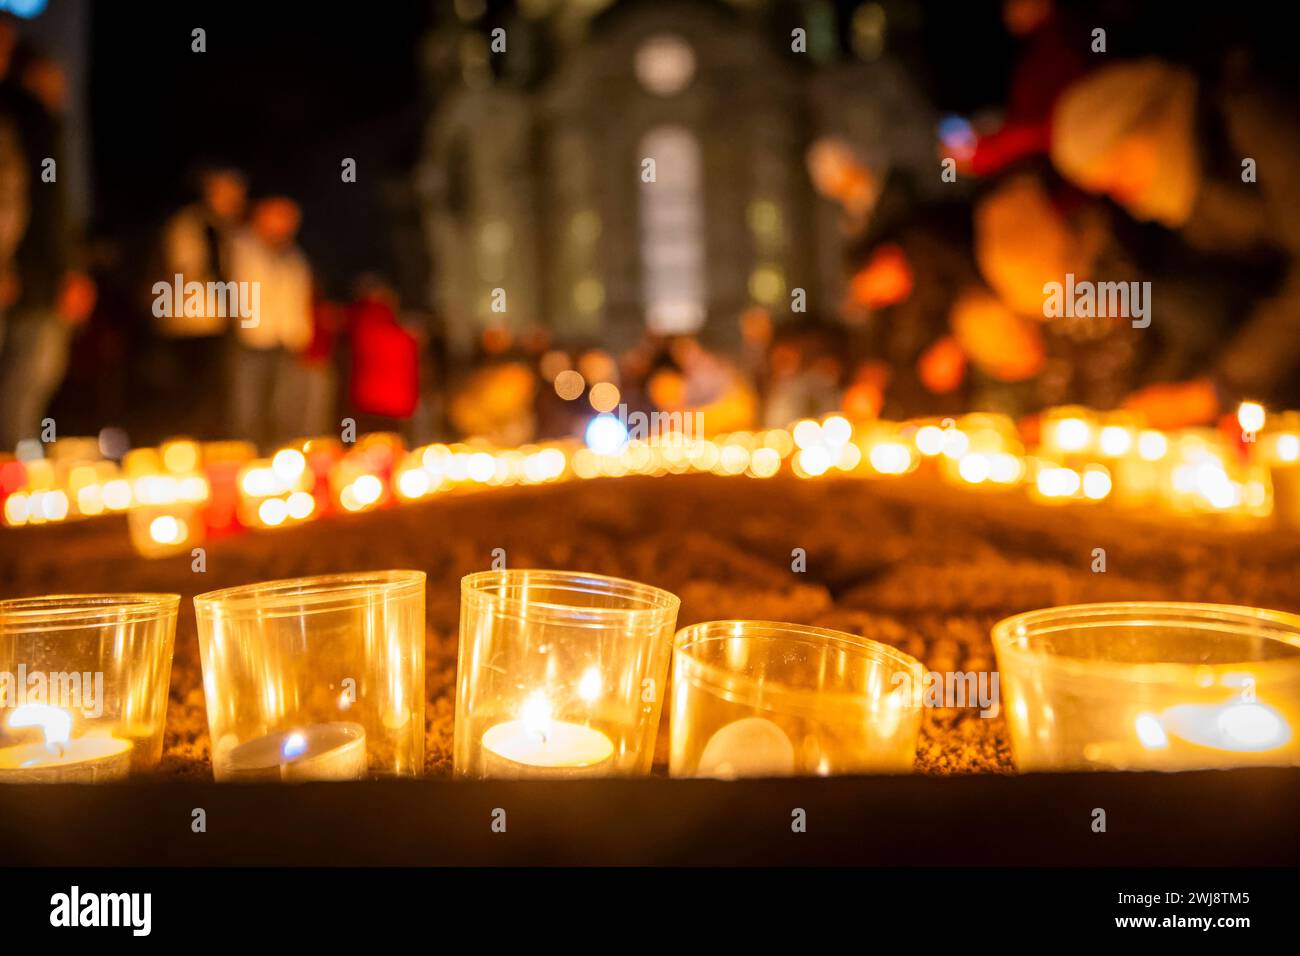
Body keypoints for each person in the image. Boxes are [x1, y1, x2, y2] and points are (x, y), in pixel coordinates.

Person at [1050, 57, 1300, 424]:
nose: (1125, 197)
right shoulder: (1194, 203)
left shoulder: (1253, 114)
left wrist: (1219, 390)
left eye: (1119, 170)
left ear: (1145, 122)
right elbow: (1218, 306)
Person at [0, 43, 94, 449]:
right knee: (24, 382)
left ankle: (17, 470)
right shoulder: (27, 124)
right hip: (30, 276)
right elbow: (35, 209)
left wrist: (72, 268)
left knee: (35, 380)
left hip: (41, 276)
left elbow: (56, 211)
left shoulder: (42, 127)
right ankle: (11, 479)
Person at [158, 166, 247, 436]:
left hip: (221, 322)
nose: (235, 199)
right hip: (193, 323)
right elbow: (180, 272)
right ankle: (187, 446)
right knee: (193, 391)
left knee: (217, 392)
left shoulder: (227, 228)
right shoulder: (189, 226)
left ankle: (213, 443)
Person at [226, 196, 312, 449]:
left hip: (284, 340)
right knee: (247, 408)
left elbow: (298, 296)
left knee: (284, 406)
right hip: (249, 339)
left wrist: (300, 334)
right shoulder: (238, 247)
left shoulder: (293, 255)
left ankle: (279, 458)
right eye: (279, 216)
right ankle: (246, 458)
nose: (286, 225)